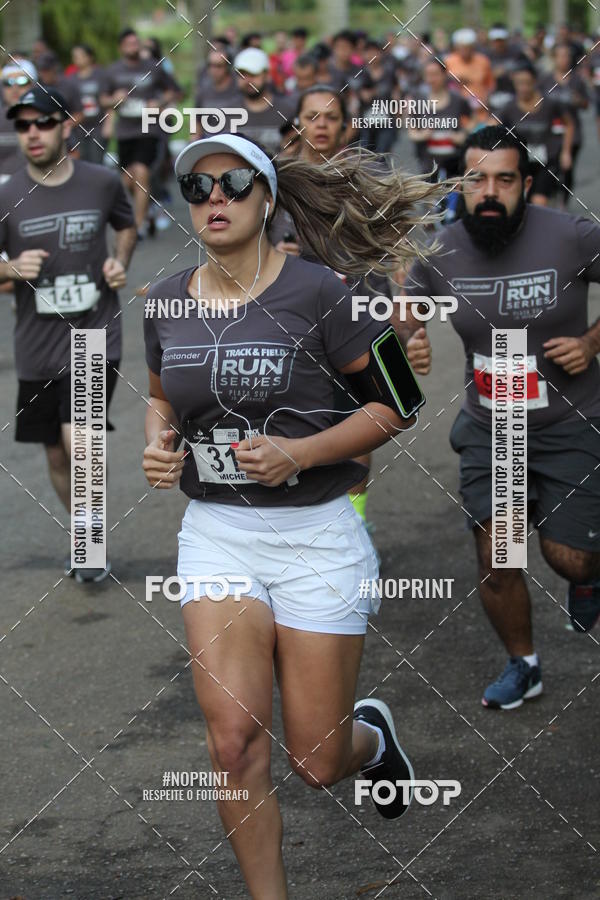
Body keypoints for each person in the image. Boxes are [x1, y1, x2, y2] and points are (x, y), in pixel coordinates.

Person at [142, 132, 447, 896]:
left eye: (234, 182)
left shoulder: (320, 292)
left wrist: (299, 454)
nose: (214, 196)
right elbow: (159, 396)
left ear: (267, 198)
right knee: (234, 746)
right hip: (218, 534)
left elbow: (400, 402)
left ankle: (371, 742)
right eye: (198, 183)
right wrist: (159, 445)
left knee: (316, 762)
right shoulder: (167, 299)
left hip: (315, 533)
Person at [405, 126, 600, 709]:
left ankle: (586, 573)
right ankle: (525, 664)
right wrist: (410, 336)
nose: (488, 191)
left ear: (527, 184)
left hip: (572, 421)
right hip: (495, 429)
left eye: (504, 179)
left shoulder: (568, 236)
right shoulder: (440, 250)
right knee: (499, 557)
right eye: (475, 179)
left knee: (569, 557)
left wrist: (593, 342)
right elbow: (404, 314)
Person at [271, 85, 432, 527]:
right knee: (294, 424)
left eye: (330, 116)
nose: (321, 124)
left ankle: (353, 525)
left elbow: (399, 256)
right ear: (297, 124)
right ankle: (296, 523)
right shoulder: (273, 186)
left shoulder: (365, 183)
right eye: (311, 115)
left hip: (360, 319)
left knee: (362, 418)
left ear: (345, 126)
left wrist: (412, 323)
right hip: (292, 325)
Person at [0, 86, 137, 581]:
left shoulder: (101, 183)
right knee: (56, 453)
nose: (32, 134)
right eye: (22, 126)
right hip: (36, 345)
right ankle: (84, 529)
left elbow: (127, 225)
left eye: (42, 123)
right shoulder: (7, 194)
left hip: (93, 335)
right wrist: (12, 268)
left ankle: (89, 543)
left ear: (65, 126)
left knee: (79, 443)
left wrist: (119, 261)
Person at [100, 28, 178, 235]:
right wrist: (114, 98)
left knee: (141, 172)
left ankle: (137, 225)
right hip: (125, 132)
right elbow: (103, 100)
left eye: (136, 43)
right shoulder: (113, 71)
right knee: (128, 180)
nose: (133, 47)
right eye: (129, 44)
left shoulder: (154, 67)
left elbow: (174, 90)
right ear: (121, 48)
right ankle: (149, 209)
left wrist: (159, 101)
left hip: (148, 129)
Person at [498, 62, 573, 206]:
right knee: (520, 203)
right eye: (520, 83)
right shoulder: (509, 107)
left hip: (546, 161)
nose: (524, 88)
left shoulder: (549, 103)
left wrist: (566, 152)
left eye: (527, 83)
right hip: (521, 163)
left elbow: (569, 124)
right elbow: (492, 126)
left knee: (539, 201)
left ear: (535, 82)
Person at [539, 43, 589, 207]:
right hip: (550, 133)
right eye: (560, 55)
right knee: (551, 167)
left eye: (567, 55)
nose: (564, 59)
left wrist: (578, 100)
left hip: (573, 132)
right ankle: (550, 198)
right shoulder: (545, 80)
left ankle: (563, 203)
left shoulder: (577, 80)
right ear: (554, 58)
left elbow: (586, 104)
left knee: (567, 169)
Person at [231, 48, 295, 156]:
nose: (247, 81)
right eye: (242, 75)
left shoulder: (288, 111)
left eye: (253, 74)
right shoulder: (227, 113)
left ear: (267, 76)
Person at [444, 28, 495, 120]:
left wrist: (486, 101)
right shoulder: (448, 61)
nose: (465, 50)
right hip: (457, 112)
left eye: (468, 46)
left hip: (480, 112)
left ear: (473, 46)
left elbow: (490, 85)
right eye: (462, 46)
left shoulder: (483, 61)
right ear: (456, 46)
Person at [68, 44, 106, 165]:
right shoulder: (70, 79)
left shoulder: (100, 75)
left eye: (81, 56)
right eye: (75, 56)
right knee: (81, 162)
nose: (77, 59)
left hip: (98, 125)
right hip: (79, 128)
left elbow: (107, 99)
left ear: (90, 57)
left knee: (97, 161)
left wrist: (108, 123)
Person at [0, 59, 36, 183]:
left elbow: (71, 155)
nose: (14, 88)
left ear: (34, 84)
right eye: (8, 83)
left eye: (22, 81)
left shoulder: (49, 117)